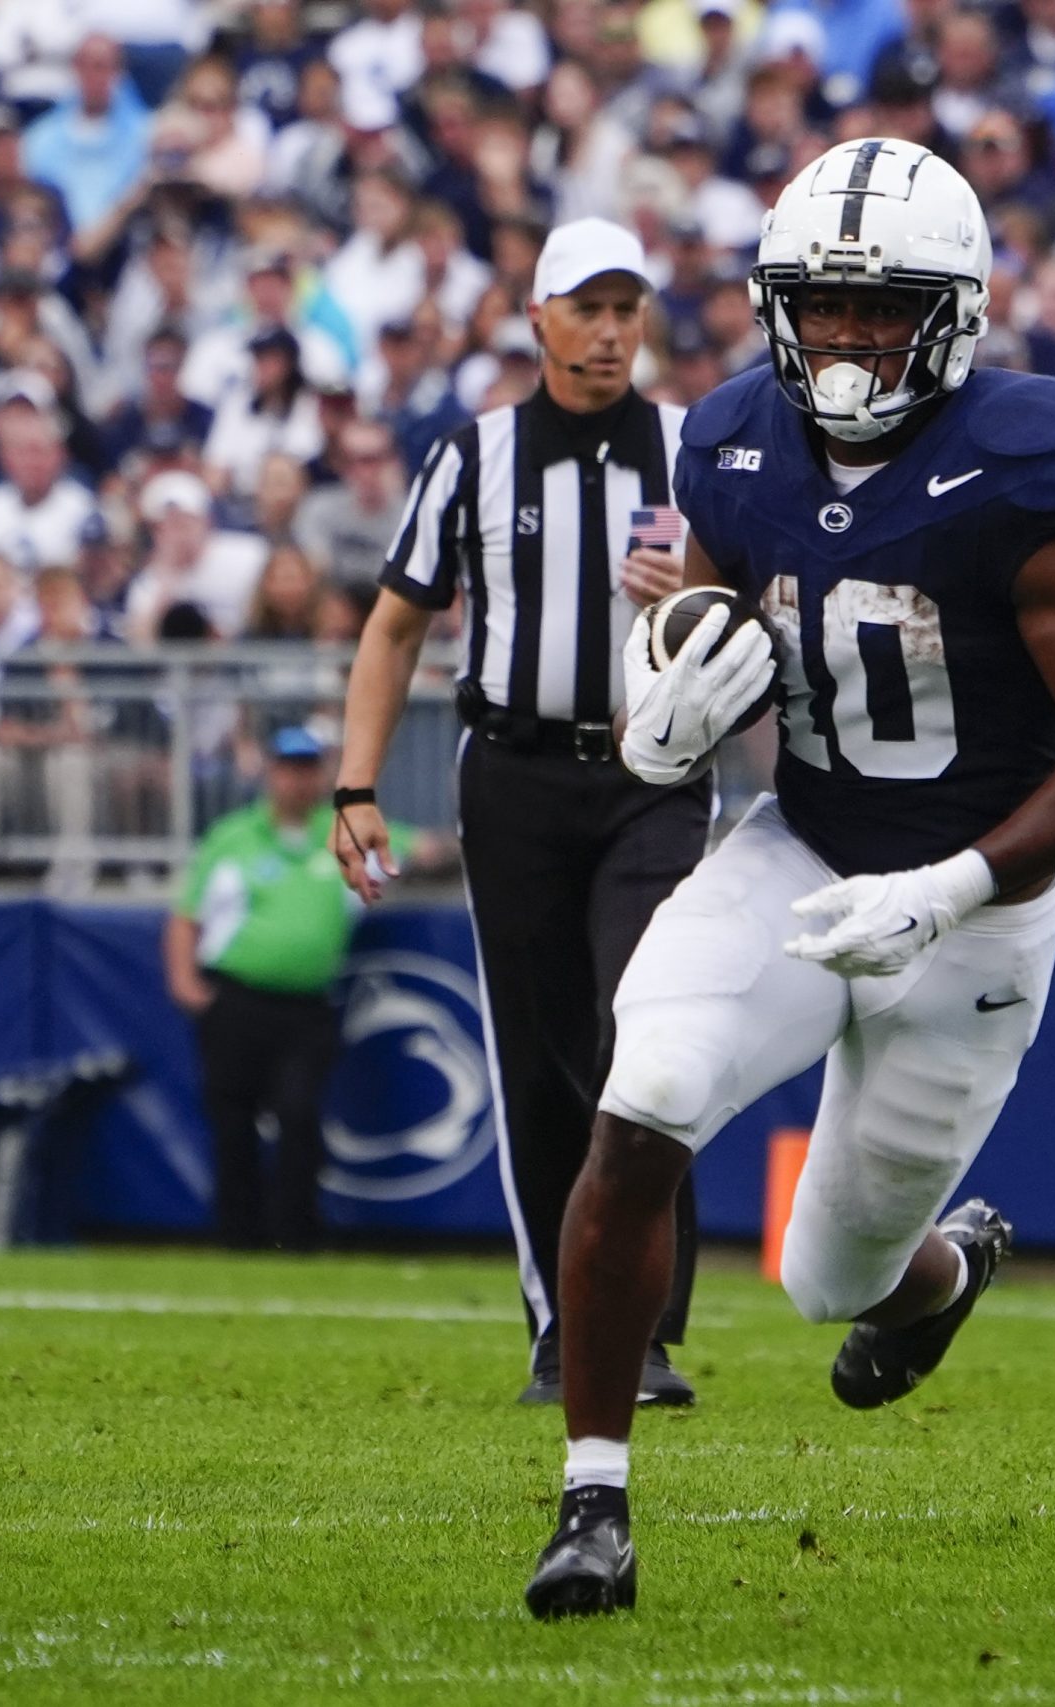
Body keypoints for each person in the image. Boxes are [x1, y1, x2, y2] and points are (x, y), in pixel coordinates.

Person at [521, 139, 1055, 1619]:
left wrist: (948, 889)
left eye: (885, 311)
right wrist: (667, 697)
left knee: (836, 1275)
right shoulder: (738, 434)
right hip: (805, 852)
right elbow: (712, 619)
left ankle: (939, 1274)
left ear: (955, 313)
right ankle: (593, 1502)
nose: (852, 339)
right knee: (647, 1096)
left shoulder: (1024, 463)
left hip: (979, 905)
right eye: (826, 305)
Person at [331, 220, 711, 1407]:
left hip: (654, 767)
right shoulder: (474, 455)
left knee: (642, 1034)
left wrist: (695, 589)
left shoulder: (694, 447)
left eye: (626, 309)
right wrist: (357, 785)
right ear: (537, 318)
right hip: (516, 774)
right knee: (542, 1058)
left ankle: (639, 1329)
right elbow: (396, 623)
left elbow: (765, 597)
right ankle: (562, 1324)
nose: (609, 333)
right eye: (587, 309)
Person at [163, 727, 355, 1251]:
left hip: (306, 1005)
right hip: (239, 998)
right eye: (289, 769)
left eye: (308, 769)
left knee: (299, 1113)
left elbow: (415, 847)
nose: (298, 780)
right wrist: (185, 980)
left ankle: (295, 1234)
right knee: (232, 1117)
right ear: (270, 774)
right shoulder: (233, 836)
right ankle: (237, 1235)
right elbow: (187, 914)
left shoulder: (341, 830)